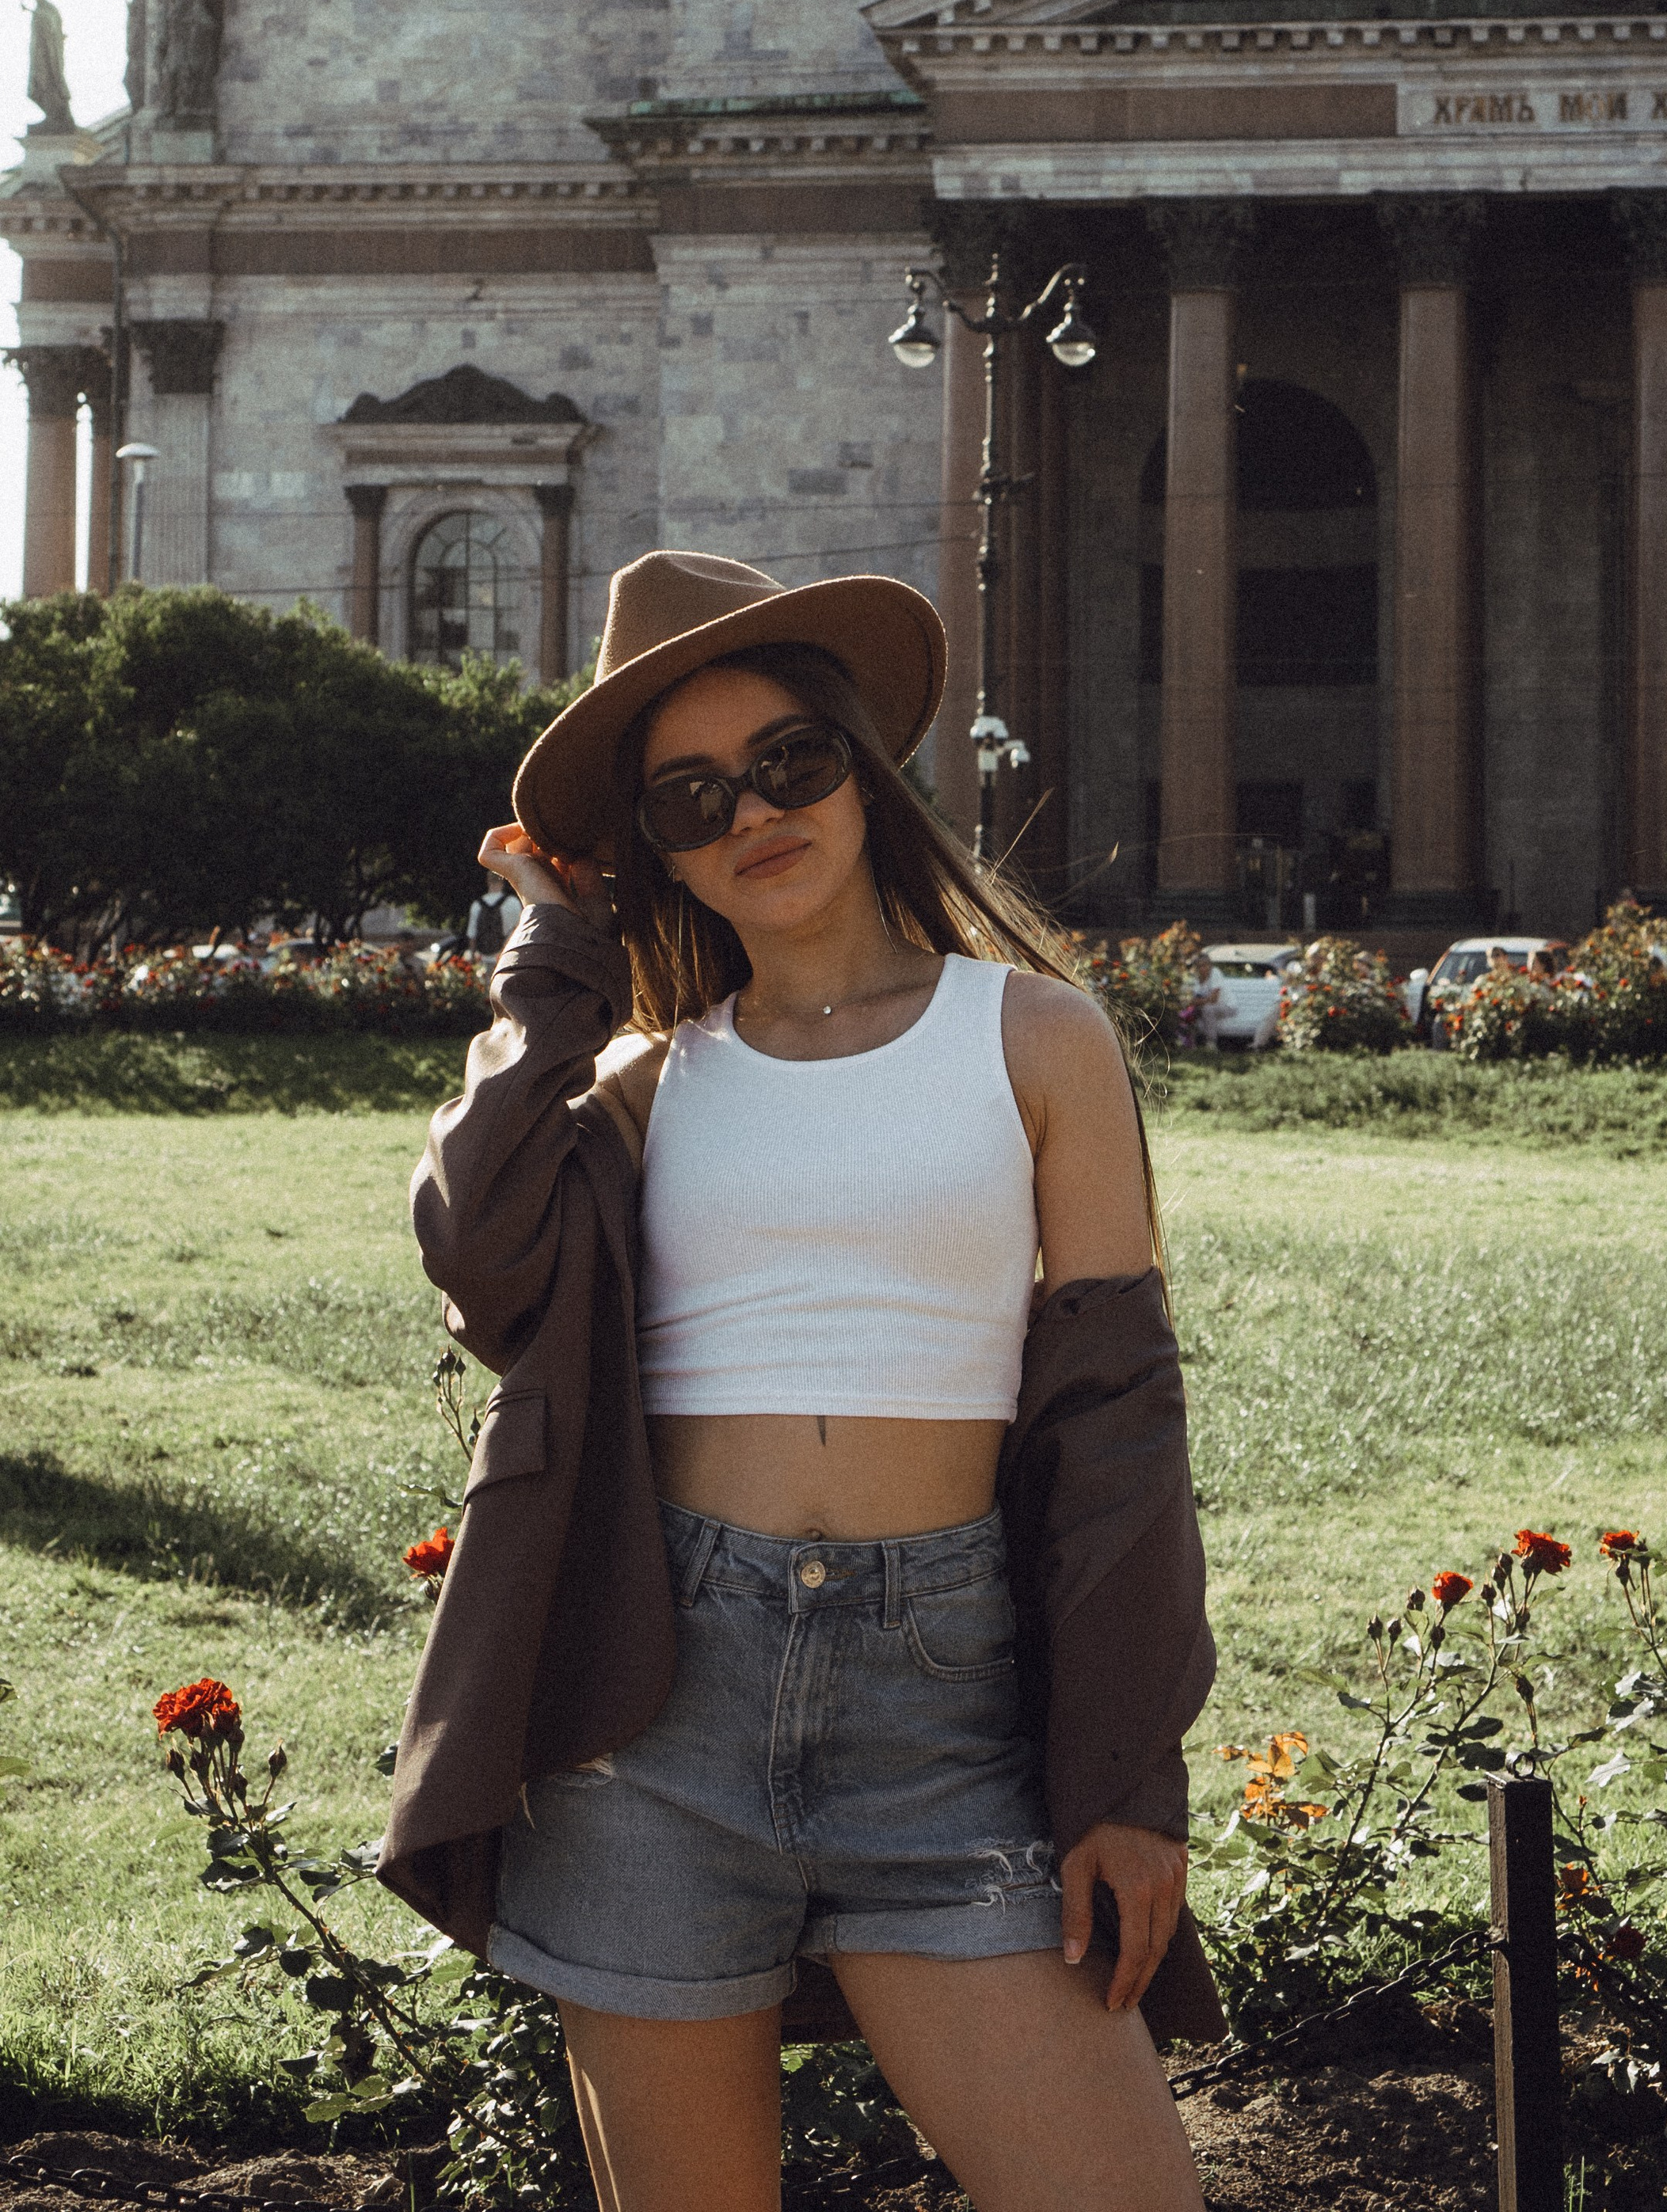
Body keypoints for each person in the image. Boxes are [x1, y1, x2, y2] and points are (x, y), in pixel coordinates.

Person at [379, 551, 1216, 2212]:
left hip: (944, 1714)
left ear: (860, 762)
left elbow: (1117, 1414)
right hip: (652, 1721)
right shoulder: (638, 1084)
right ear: (649, 855)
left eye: (787, 761)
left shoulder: (1035, 1036)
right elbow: (476, 1250)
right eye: (689, 799)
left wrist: (1129, 1775)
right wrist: (559, 950)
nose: (751, 812)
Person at [466, 876, 523, 960]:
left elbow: (472, 936)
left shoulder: (477, 905)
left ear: (488, 881)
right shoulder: (514, 903)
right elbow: (520, 931)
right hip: (506, 958)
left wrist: (473, 958)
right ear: (503, 882)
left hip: (482, 959)